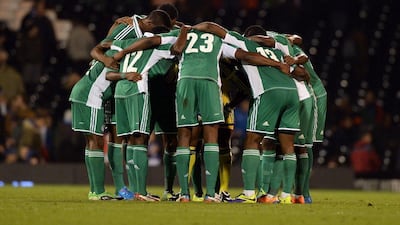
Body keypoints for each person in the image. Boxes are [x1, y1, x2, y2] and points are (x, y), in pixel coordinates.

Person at [70, 10, 172, 200]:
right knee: (96, 141)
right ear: (149, 24)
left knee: (111, 138)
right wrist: (108, 59)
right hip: (93, 91)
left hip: (109, 91)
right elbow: (99, 48)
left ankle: (118, 189)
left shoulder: (140, 34)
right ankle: (97, 191)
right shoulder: (128, 29)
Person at [105, 24, 189, 201]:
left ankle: (141, 190)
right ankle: (142, 191)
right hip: (147, 94)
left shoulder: (125, 44)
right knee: (143, 140)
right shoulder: (157, 46)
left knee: (133, 140)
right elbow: (176, 49)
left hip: (131, 92)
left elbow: (108, 60)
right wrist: (184, 30)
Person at [17, 0, 57, 92]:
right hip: (28, 58)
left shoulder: (46, 21)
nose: (43, 9)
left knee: (37, 84)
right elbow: (21, 37)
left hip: (40, 59)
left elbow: (51, 40)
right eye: (41, 6)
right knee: (26, 83)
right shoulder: (27, 19)